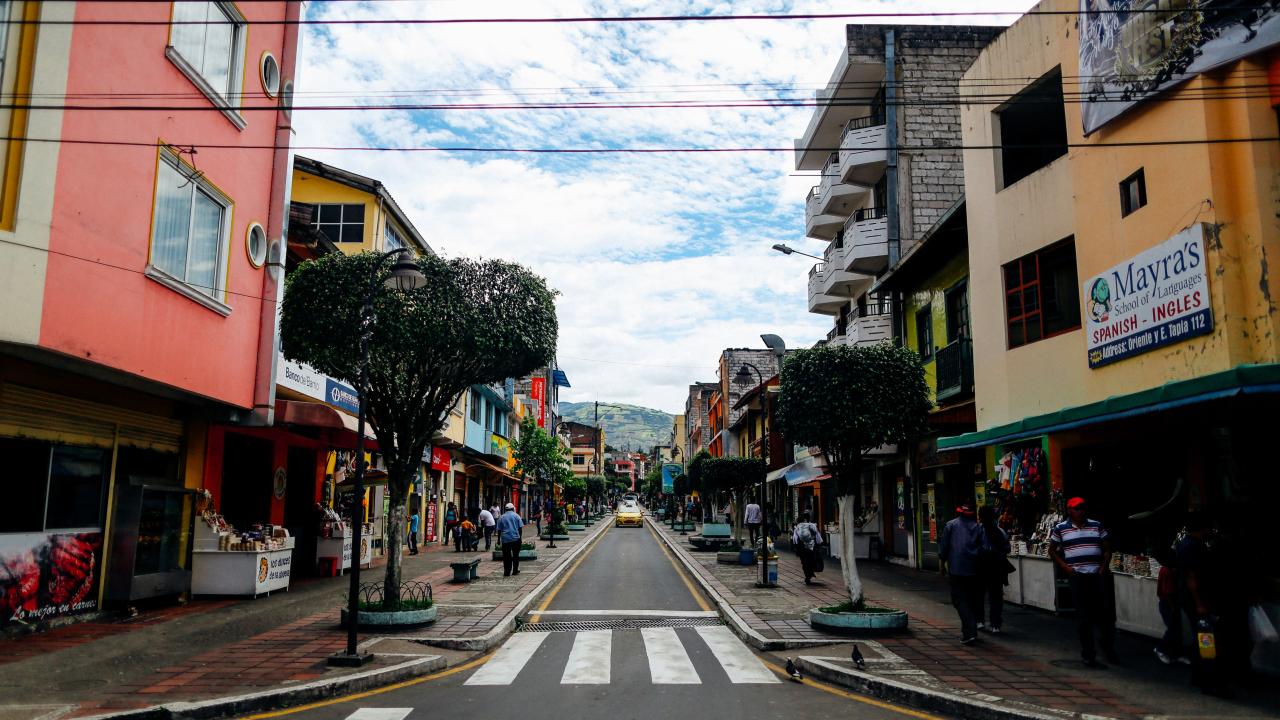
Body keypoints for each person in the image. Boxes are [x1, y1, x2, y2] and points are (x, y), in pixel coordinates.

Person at [1049, 497, 1117, 667]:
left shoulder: (1096, 525)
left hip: (1096, 575)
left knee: (1105, 615)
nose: (1080, 511)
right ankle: (1088, 652)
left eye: (1082, 508)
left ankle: (1108, 648)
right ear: (1070, 510)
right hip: (1078, 576)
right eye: (1077, 508)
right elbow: (1052, 551)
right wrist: (1066, 567)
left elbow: (1108, 548)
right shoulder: (1061, 528)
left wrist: (1103, 567)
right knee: (1084, 617)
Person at [939, 503, 985, 645]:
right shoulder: (978, 528)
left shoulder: (951, 525)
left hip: (957, 568)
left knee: (960, 599)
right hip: (974, 568)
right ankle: (971, 629)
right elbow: (983, 548)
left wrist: (942, 564)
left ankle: (970, 631)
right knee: (971, 599)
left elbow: (944, 547)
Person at [977, 505, 1010, 633]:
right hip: (996, 568)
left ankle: (979, 620)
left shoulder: (977, 531)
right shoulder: (999, 531)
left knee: (979, 595)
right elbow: (1007, 548)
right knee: (995, 596)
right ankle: (995, 624)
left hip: (980, 566)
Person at [791, 512, 824, 584]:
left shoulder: (798, 527)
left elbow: (795, 539)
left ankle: (807, 575)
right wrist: (819, 544)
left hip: (802, 547)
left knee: (804, 562)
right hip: (812, 547)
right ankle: (809, 574)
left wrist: (796, 547)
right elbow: (818, 536)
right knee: (811, 560)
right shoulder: (812, 525)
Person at [496, 502, 524, 577]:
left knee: (506, 556)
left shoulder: (501, 517)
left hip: (505, 539)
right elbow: (520, 528)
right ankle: (515, 570)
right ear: (513, 508)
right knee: (516, 555)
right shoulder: (517, 516)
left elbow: (499, 530)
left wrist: (498, 540)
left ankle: (507, 572)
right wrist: (520, 538)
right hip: (515, 538)